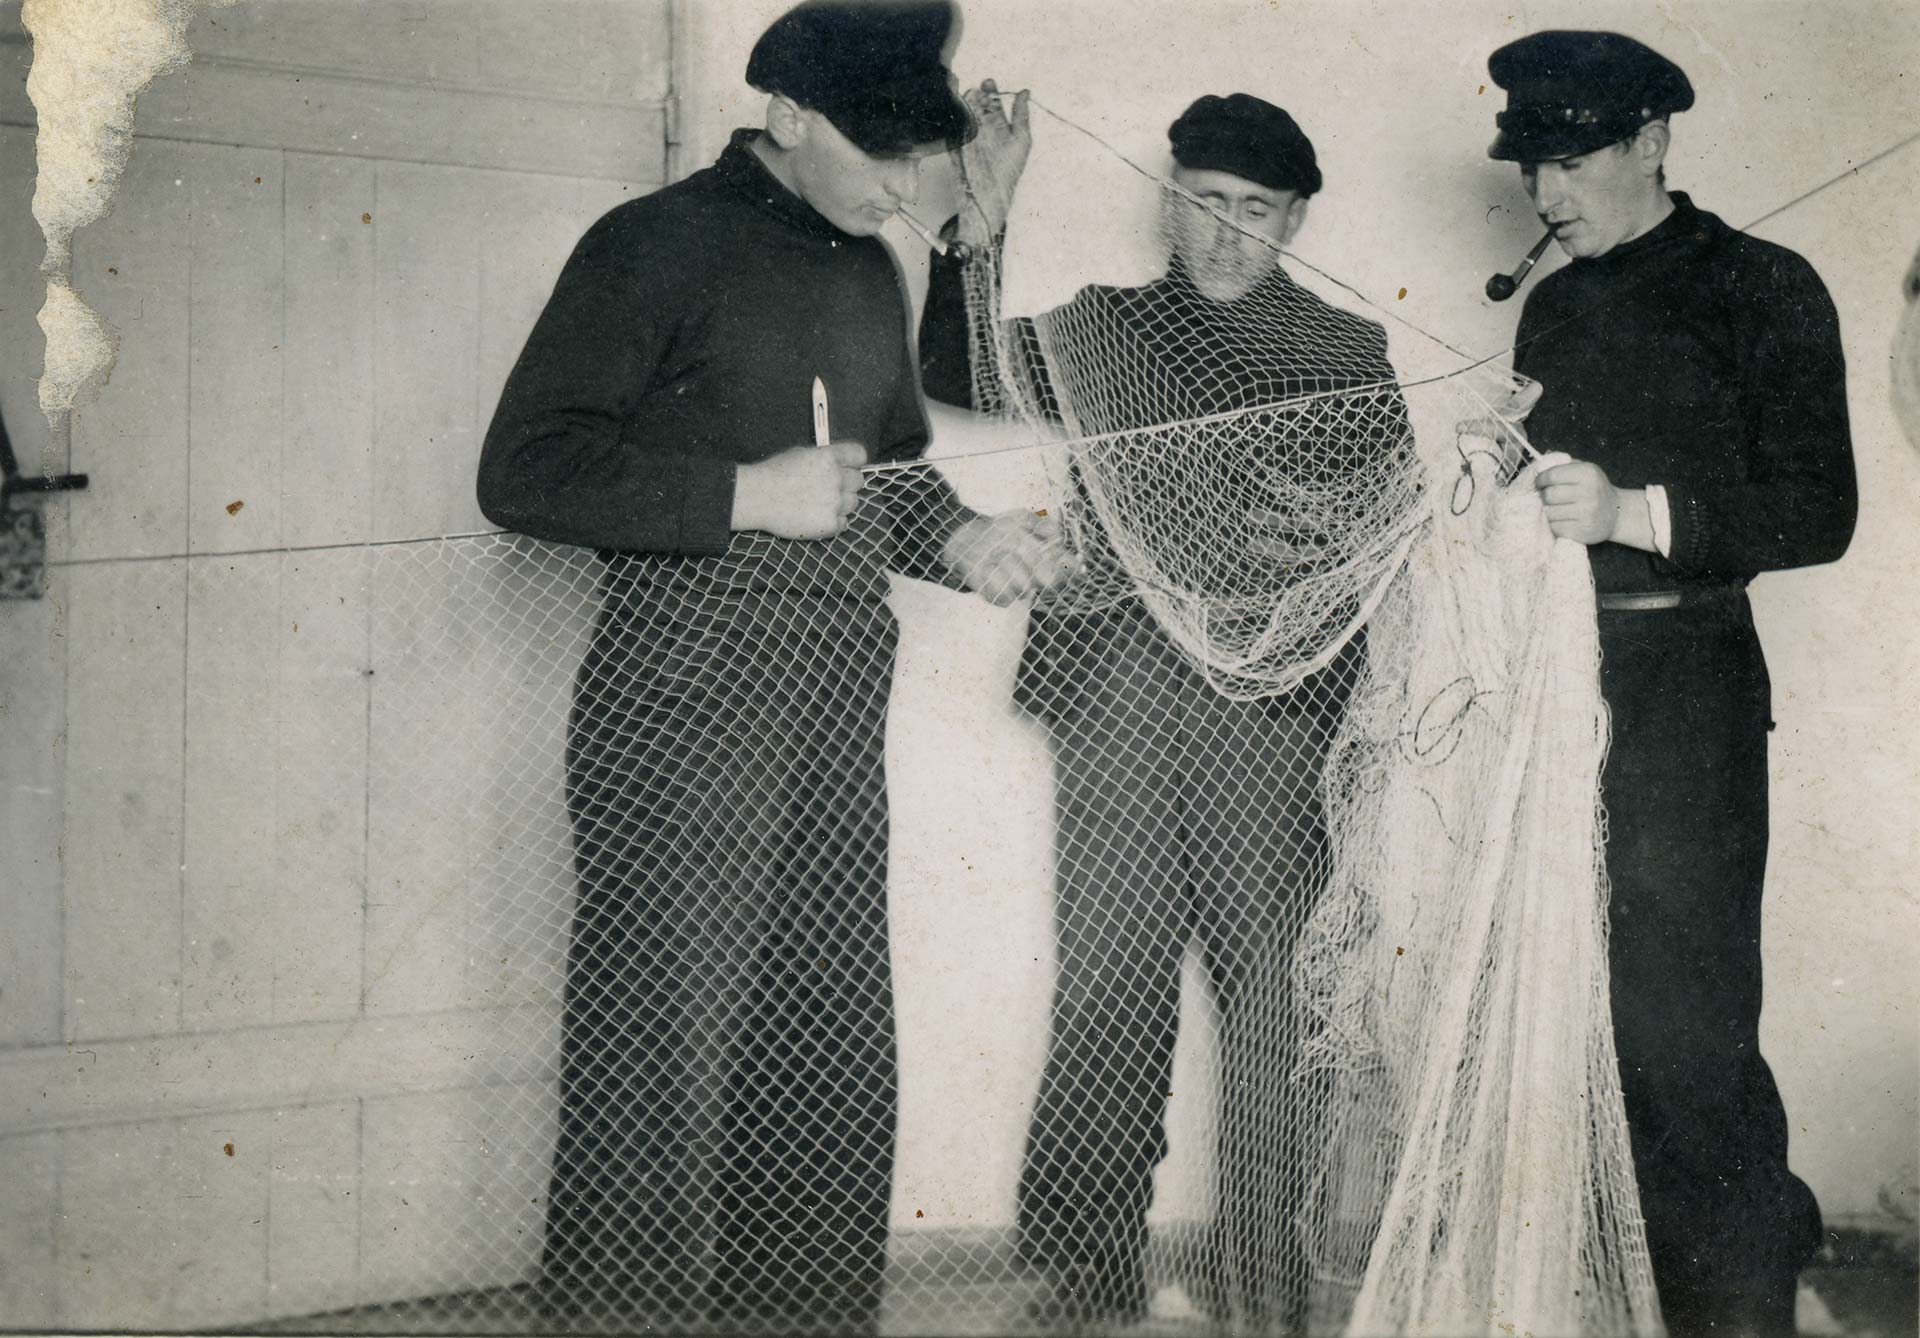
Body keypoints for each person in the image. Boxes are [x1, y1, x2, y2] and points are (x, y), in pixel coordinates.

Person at [477, 3, 1069, 1330]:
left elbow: (885, 477)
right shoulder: (651, 243)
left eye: (919, 157)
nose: (904, 186)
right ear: (788, 115)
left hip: (832, 713)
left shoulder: (868, 267)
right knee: (658, 1069)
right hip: (679, 714)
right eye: (880, 154)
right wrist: (749, 494)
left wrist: (968, 535)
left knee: (824, 1056)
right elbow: (524, 470)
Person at [920, 88, 1410, 1328]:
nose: (1227, 232)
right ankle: (1085, 1273)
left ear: (1295, 220)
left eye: (1256, 209)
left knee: (1273, 1000)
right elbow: (959, 372)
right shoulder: (1106, 326)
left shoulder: (1348, 354)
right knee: (1110, 984)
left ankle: (1268, 1289)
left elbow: (1380, 539)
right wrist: (981, 223)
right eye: (1205, 203)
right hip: (1121, 690)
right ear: (1169, 202)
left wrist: (1318, 544)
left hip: (1270, 709)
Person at [1486, 30, 1857, 1337]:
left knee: (1686, 1028)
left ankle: (1741, 1310)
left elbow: (1820, 510)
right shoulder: (1550, 307)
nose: (1547, 195)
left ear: (1651, 143)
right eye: (1533, 168)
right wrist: (1499, 487)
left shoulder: (1766, 284)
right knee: (1586, 1018)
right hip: (1558, 689)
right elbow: (1545, 508)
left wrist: (1632, 510)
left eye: (1573, 162)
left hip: (1687, 692)